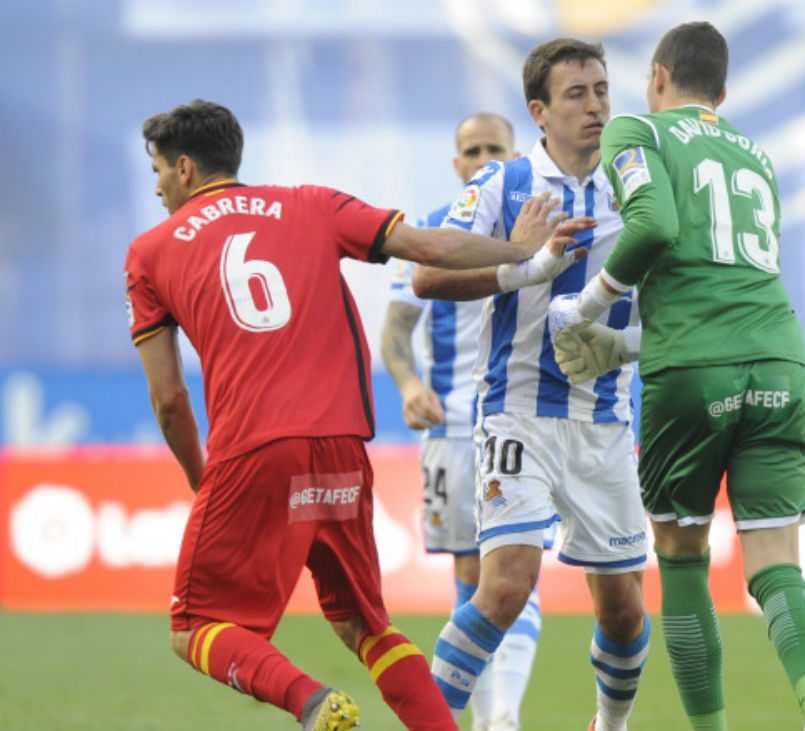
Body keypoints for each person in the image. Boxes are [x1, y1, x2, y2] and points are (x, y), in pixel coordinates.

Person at [125, 99, 587, 731]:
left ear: (184, 167)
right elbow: (425, 245)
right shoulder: (313, 203)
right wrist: (516, 250)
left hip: (253, 447)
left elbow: (170, 399)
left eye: (156, 171)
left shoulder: (149, 253)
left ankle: (312, 702)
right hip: (342, 445)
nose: (155, 186)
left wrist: (199, 478)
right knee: (366, 626)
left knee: (194, 626)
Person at [547, 22, 805, 731]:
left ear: (656, 77)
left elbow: (650, 226)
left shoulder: (637, 133)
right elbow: (720, 291)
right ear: (723, 92)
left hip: (692, 377)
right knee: (776, 563)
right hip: (777, 358)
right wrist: (622, 347)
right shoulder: (755, 156)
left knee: (681, 556)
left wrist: (584, 310)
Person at [410, 39, 650, 731]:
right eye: (577, 95)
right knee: (506, 586)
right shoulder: (502, 185)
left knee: (625, 609)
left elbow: (672, 295)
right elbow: (428, 275)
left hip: (605, 420)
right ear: (539, 111)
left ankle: (610, 724)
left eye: (602, 90)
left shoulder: (639, 188)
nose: (597, 106)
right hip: (516, 416)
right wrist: (523, 261)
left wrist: (629, 344)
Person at [380, 112, 547, 731]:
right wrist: (409, 383)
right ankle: (486, 719)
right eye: (471, 150)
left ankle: (502, 717)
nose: (482, 158)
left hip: (524, 418)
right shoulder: (427, 236)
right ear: (456, 163)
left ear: (515, 155)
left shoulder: (545, 229)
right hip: (450, 427)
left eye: (493, 148)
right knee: (471, 572)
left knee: (516, 569)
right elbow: (396, 329)